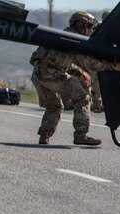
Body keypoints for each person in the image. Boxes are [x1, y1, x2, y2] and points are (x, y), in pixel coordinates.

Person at [30, 11, 119, 146]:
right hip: (53, 75)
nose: (91, 30)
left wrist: (80, 73)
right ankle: (81, 134)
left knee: (54, 105)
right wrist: (113, 67)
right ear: (79, 25)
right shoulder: (75, 40)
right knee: (83, 97)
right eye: (89, 27)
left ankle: (44, 135)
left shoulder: (61, 34)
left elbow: (57, 61)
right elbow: (90, 63)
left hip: (38, 75)